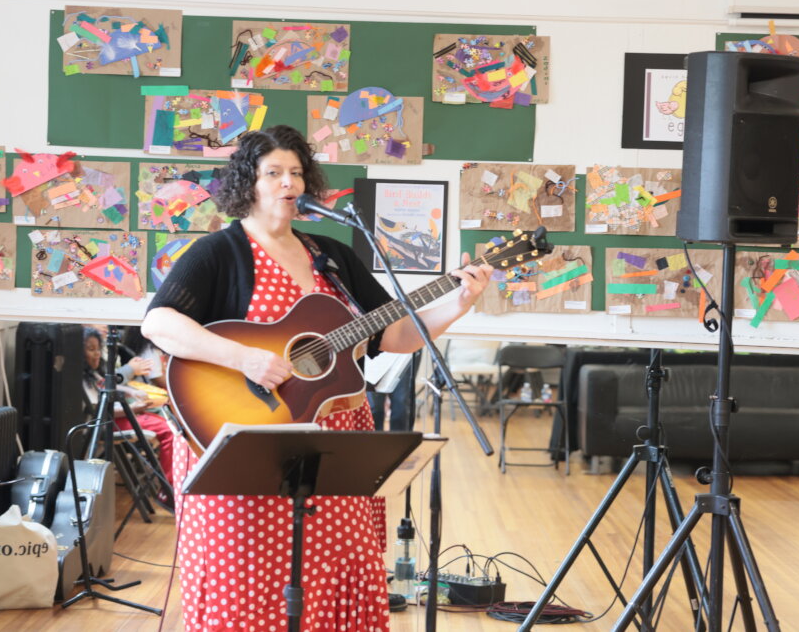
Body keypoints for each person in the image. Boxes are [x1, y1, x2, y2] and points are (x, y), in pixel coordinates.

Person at [141, 125, 492, 631]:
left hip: (334, 444)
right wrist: (245, 359)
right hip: (246, 439)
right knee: (245, 576)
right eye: (274, 173)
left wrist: (459, 302)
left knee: (340, 565)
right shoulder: (219, 252)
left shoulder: (332, 256)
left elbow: (393, 335)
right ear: (248, 183)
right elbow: (158, 323)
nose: (289, 183)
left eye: (297, 173)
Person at [82, 327, 174, 482]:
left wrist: (131, 392)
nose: (97, 353)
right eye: (91, 349)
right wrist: (132, 409)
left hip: (115, 416)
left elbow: (106, 385)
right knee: (168, 430)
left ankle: (170, 481)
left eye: (98, 348)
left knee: (168, 424)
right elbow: (98, 411)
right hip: (104, 424)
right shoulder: (81, 379)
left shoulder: (92, 373)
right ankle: (170, 483)